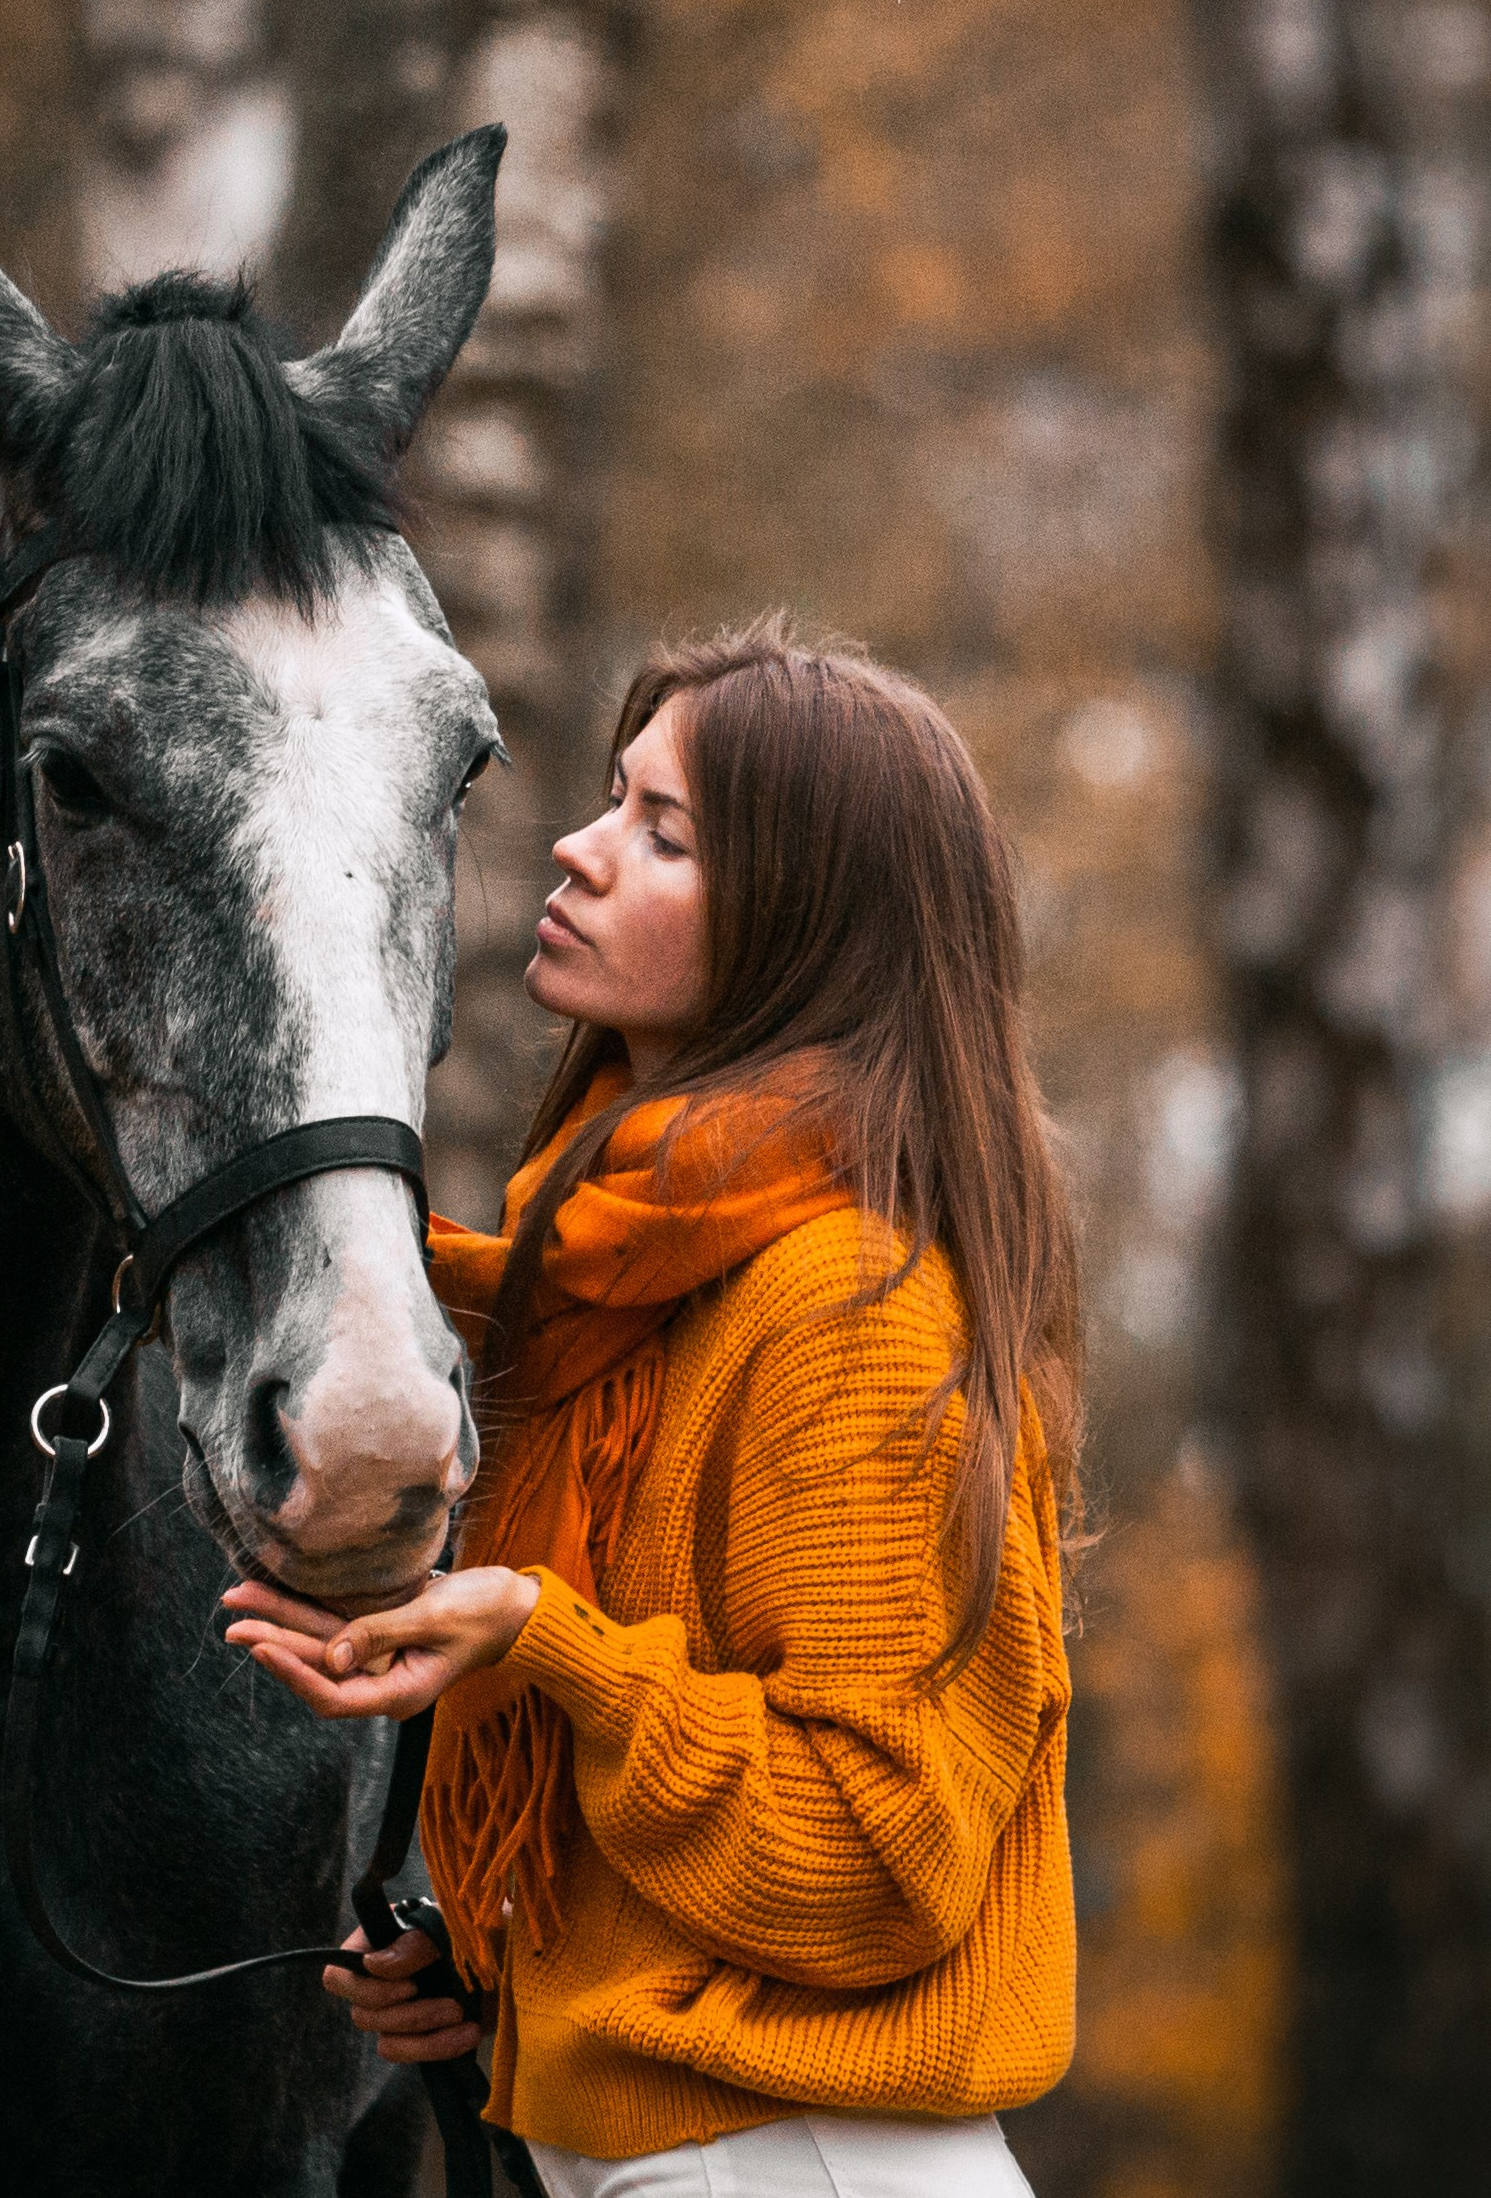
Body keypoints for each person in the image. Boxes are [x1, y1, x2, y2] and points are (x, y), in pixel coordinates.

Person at [224, 623, 1080, 2196]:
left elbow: (883, 1863)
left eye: (661, 831)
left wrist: (542, 1642)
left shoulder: (847, 1308)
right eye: (613, 799)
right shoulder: (617, 1288)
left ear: (800, 921)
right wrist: (488, 1978)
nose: (578, 846)